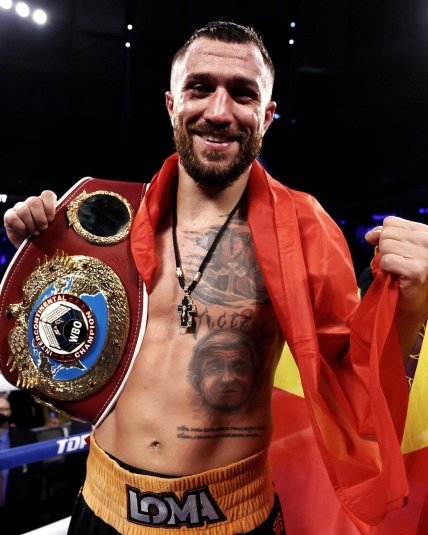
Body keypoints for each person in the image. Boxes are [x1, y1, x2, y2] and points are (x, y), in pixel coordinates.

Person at [3, 20, 428, 535]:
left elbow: (354, 381)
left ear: (266, 115)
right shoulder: (104, 218)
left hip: (233, 518)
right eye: (200, 88)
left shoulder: (304, 228)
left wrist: (412, 302)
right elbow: (54, 353)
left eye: (243, 93)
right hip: (102, 507)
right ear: (172, 104)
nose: (220, 112)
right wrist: (34, 257)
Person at [0, 393, 44, 534]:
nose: (1, 413)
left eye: (5, 409)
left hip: (20, 509)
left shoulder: (26, 437)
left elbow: (36, 474)